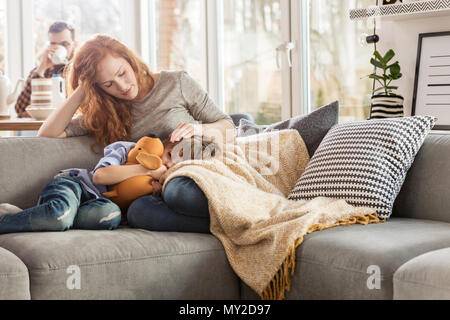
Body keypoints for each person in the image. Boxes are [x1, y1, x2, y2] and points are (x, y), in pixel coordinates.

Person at [37, 34, 236, 232]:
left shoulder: (176, 83)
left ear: (130, 60)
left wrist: (199, 129)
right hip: (154, 191)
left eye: (122, 73)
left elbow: (228, 127)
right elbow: (48, 134)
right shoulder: (107, 113)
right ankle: (226, 225)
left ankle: (230, 220)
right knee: (138, 212)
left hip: (192, 173)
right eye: (108, 84)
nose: (122, 87)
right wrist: (83, 88)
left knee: (178, 193)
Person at [15, 21, 78, 118]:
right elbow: (20, 109)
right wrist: (41, 69)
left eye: (64, 44)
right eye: (53, 44)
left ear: (74, 45)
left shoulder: (81, 71)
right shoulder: (41, 71)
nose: (58, 48)